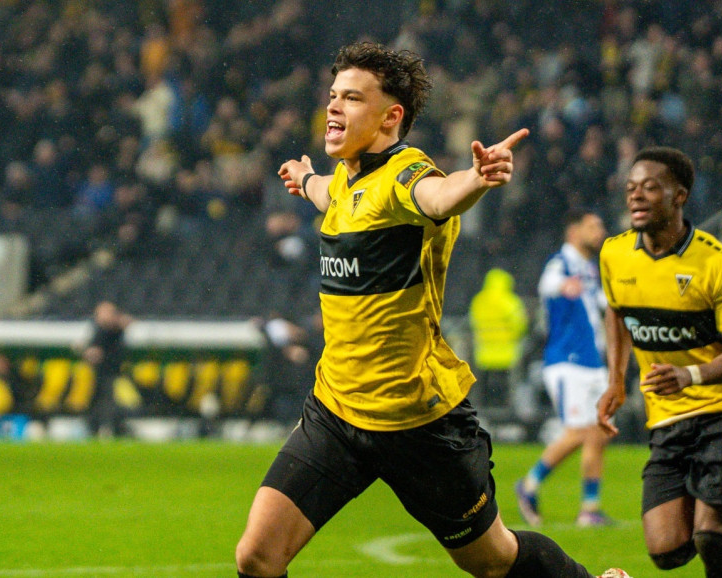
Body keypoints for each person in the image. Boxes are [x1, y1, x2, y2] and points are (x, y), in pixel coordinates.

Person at [236, 42, 629, 578]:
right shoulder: (348, 178)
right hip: (336, 411)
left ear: (390, 116)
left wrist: (477, 178)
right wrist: (305, 181)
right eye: (333, 95)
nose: (333, 106)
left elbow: (439, 197)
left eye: (352, 98)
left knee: (492, 560)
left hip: (417, 422)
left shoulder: (407, 175)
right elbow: (333, 195)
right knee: (257, 557)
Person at [596, 146, 722, 578]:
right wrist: (616, 381)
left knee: (710, 535)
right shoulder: (614, 254)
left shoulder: (716, 263)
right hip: (668, 415)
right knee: (666, 552)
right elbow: (616, 313)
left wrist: (690, 375)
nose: (636, 196)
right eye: (631, 188)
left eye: (650, 187)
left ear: (679, 196)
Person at [516, 209, 614, 528]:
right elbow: (547, 284)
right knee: (578, 432)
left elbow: (603, 305)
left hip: (593, 361)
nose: (599, 231)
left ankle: (590, 508)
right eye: (592, 226)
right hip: (567, 361)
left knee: (599, 433)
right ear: (573, 232)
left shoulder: (589, 268)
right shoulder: (562, 263)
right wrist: (561, 287)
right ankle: (529, 484)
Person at [468, 268, 528, 410]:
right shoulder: (510, 301)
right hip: (506, 352)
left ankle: (483, 410)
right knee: (506, 386)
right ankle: (505, 410)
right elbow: (520, 325)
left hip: (484, 352)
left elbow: (473, 322)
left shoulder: (479, 300)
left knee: (484, 386)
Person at [82, 300, 131, 439]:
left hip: (113, 373)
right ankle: (95, 429)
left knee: (111, 404)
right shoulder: (98, 330)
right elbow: (92, 351)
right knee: (96, 403)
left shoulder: (115, 330)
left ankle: (114, 429)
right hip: (98, 373)